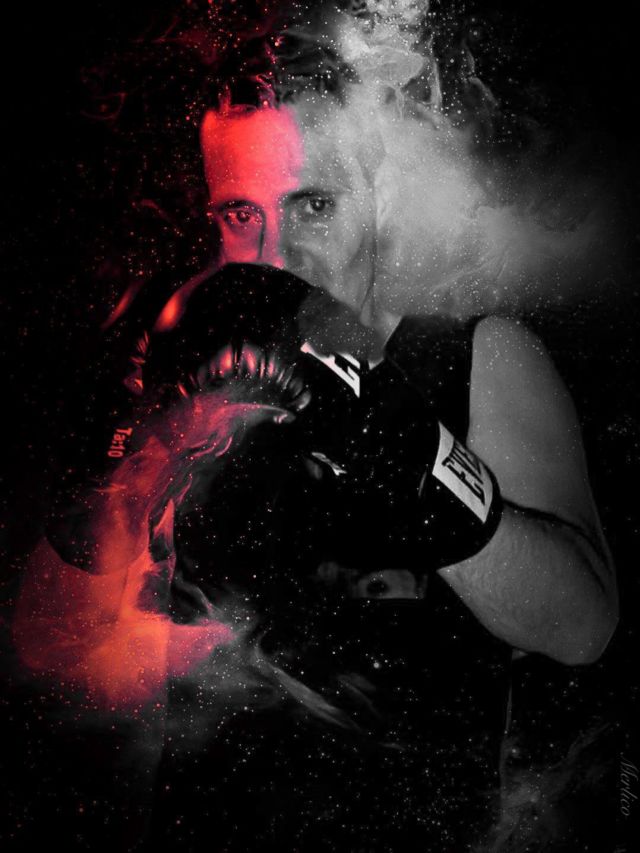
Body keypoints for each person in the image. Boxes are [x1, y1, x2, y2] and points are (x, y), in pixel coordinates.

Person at [12, 7, 619, 852]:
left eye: (315, 205)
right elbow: (46, 645)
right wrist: (131, 455)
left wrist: (414, 458)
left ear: (380, 198)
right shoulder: (186, 382)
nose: (275, 255)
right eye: (239, 214)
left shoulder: (472, 357)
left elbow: (584, 625)